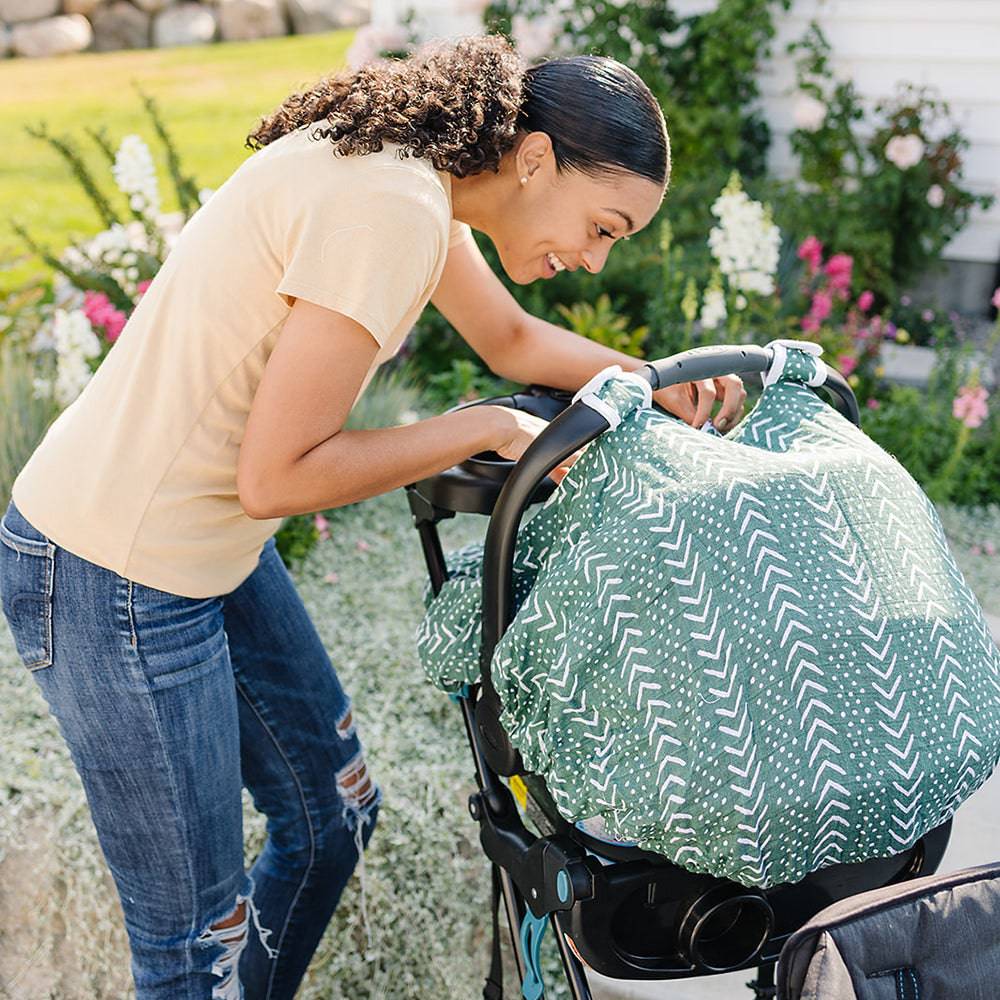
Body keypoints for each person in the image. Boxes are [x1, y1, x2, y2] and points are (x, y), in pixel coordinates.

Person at [0, 32, 746, 1000]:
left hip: (199, 551)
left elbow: (507, 335)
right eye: (603, 225)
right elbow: (276, 476)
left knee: (331, 811)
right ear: (532, 160)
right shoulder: (385, 209)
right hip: (110, 568)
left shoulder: (416, 181)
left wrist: (649, 382)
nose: (597, 262)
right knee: (194, 944)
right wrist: (486, 424)